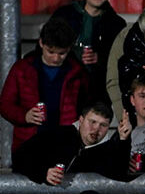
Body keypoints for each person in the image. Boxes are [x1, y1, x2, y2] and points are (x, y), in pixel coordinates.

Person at [0, 16, 88, 154]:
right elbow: (5, 105)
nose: (56, 58)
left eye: (62, 53)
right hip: (28, 145)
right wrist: (25, 116)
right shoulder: (22, 69)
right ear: (41, 43)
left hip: (64, 145)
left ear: (69, 49)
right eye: (51, 52)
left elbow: (87, 106)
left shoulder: (77, 72)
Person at [51, 0, 127, 104]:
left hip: (100, 90)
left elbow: (122, 57)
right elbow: (47, 45)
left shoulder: (117, 24)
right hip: (65, 86)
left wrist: (100, 58)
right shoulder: (64, 16)